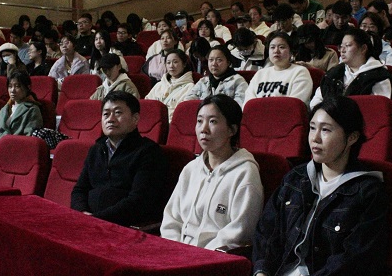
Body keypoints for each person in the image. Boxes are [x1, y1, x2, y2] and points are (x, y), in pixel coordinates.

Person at [253, 96, 388, 276]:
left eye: (325, 130)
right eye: (312, 128)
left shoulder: (367, 192)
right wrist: (261, 271)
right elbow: (267, 232)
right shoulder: (295, 178)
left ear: (352, 137)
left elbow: (354, 259)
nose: (315, 138)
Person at [161, 95, 263, 250]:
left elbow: (240, 232)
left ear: (232, 129)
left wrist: (199, 256)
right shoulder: (191, 169)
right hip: (178, 253)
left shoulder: (245, 173)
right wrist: (174, 249)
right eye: (199, 121)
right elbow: (172, 219)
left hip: (214, 257)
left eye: (213, 121)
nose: (204, 129)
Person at [71, 91, 168, 226]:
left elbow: (138, 201)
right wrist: (82, 213)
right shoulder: (96, 150)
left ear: (135, 119)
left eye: (118, 113)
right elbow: (79, 190)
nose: (110, 119)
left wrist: (95, 220)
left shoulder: (148, 152)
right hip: (88, 222)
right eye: (106, 114)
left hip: (123, 227)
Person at [310, 28, 392, 109]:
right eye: (341, 46)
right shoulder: (334, 72)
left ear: (363, 48)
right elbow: (316, 102)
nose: (342, 50)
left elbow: (379, 108)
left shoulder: (378, 76)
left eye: (348, 45)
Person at [244, 31, 313, 107]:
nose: (276, 51)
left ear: (291, 52)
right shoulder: (260, 73)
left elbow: (294, 104)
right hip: (257, 114)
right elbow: (248, 103)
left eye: (281, 47)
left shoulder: (300, 72)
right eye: (272, 47)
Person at [0, 72, 43, 145]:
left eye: (17, 86)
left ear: (28, 87)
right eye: (10, 86)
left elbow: (29, 136)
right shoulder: (5, 109)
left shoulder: (32, 109)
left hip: (15, 146)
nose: (12, 90)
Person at [145, 49, 195, 122]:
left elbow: (184, 113)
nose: (171, 66)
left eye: (175, 62)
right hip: (153, 123)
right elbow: (147, 104)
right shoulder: (159, 85)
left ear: (184, 64)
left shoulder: (190, 87)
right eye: (168, 63)